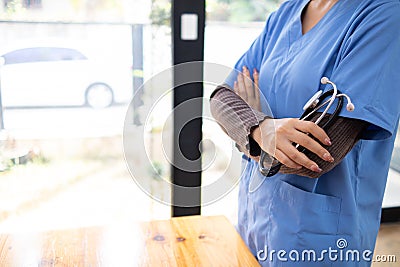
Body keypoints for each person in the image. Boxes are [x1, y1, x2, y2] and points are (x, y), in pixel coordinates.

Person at [210, 0, 400, 266]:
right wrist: (260, 128)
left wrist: (246, 126)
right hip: (253, 223)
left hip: (318, 243)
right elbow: (221, 99)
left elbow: (317, 154)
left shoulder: (384, 14)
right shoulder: (288, 11)